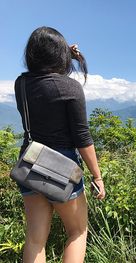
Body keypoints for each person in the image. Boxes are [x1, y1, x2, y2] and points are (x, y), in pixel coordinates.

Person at [14, 26, 106, 263]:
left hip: (30, 162)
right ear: (60, 54)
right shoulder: (70, 87)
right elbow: (82, 137)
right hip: (62, 167)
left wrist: (64, 51)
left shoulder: (21, 85)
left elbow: (44, 82)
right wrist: (97, 176)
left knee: (35, 239)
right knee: (77, 232)